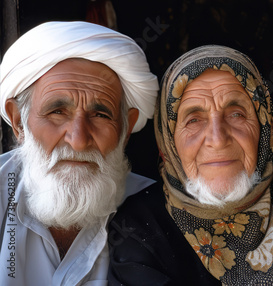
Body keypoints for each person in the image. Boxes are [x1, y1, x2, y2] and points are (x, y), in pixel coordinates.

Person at [108, 45, 273, 285]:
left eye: (236, 114)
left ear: (264, 129)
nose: (218, 139)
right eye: (194, 119)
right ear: (169, 141)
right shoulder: (138, 227)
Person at [0, 21, 159, 285]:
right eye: (57, 112)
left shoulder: (158, 214)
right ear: (19, 122)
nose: (78, 140)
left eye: (100, 115)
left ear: (126, 128)